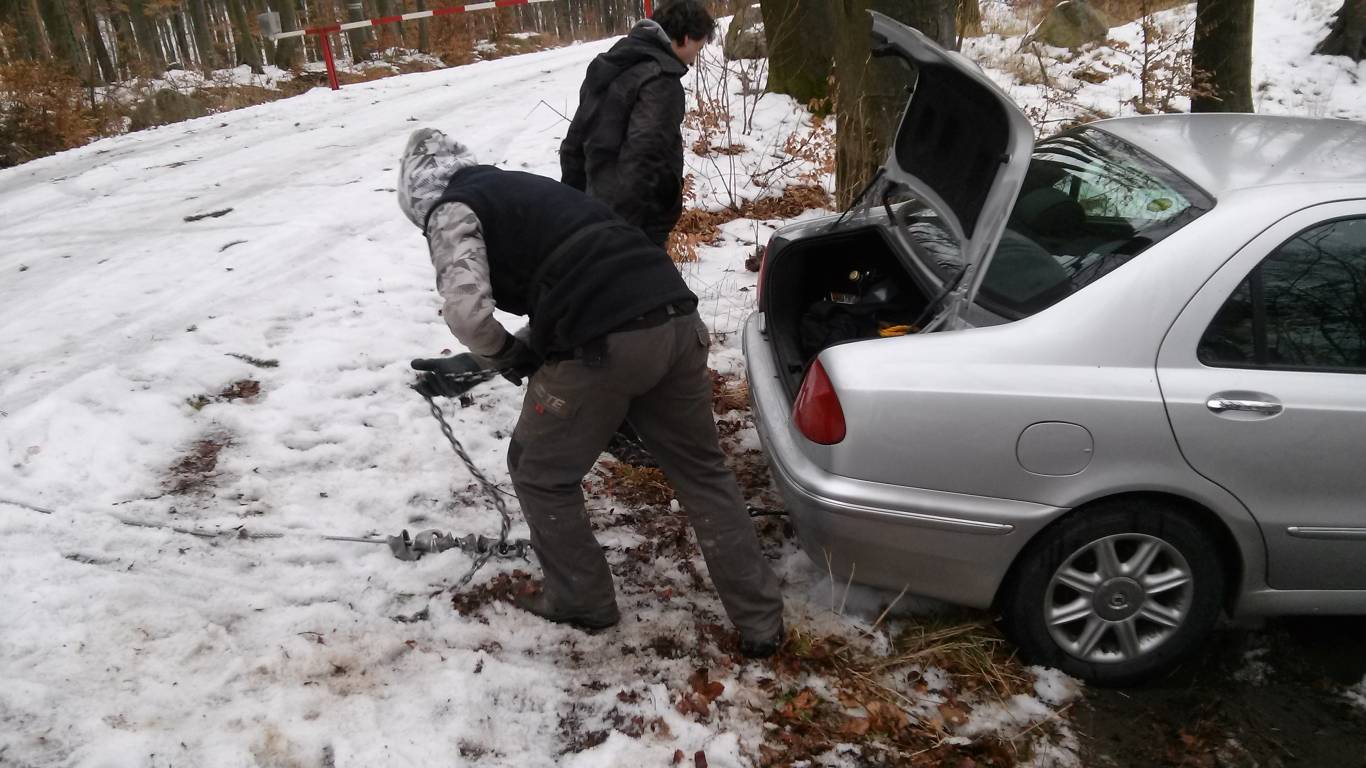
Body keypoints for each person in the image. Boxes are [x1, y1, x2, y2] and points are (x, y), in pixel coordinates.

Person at [397, 128, 785, 657]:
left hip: (605, 345)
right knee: (703, 473)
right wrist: (485, 362)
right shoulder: (521, 189)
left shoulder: (450, 210)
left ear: (418, 198)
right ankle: (762, 622)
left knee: (539, 471)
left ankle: (582, 599)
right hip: (675, 319)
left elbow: (467, 314)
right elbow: (578, 280)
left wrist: (502, 354)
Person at [559, 0, 715, 247]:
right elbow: (644, 157)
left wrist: (574, 206)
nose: (694, 60)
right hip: (633, 226)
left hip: (591, 212)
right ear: (685, 38)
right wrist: (626, 236)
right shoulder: (662, 81)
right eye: (698, 47)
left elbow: (574, 142)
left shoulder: (613, 64)